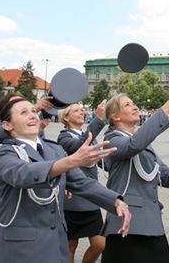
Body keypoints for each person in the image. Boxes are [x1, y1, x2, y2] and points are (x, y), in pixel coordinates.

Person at [0, 97, 131, 263]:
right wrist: (72, 160)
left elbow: (82, 183)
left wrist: (116, 201)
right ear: (7, 125)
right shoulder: (5, 152)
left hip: (55, 246)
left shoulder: (53, 150)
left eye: (34, 111)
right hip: (19, 250)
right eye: (24, 112)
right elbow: (22, 174)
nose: (33, 115)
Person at [101, 92, 169, 263]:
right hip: (128, 226)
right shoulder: (111, 140)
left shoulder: (143, 144)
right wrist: (166, 109)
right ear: (115, 116)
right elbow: (133, 146)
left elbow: (167, 177)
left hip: (153, 225)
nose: (135, 106)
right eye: (127, 105)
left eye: (133, 103)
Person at [57, 101, 108, 263]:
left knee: (100, 244)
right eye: (77, 110)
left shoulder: (88, 137)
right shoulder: (63, 137)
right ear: (66, 117)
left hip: (91, 198)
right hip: (73, 199)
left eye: (82, 110)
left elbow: (98, 159)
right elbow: (78, 147)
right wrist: (99, 119)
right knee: (71, 245)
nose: (82, 112)